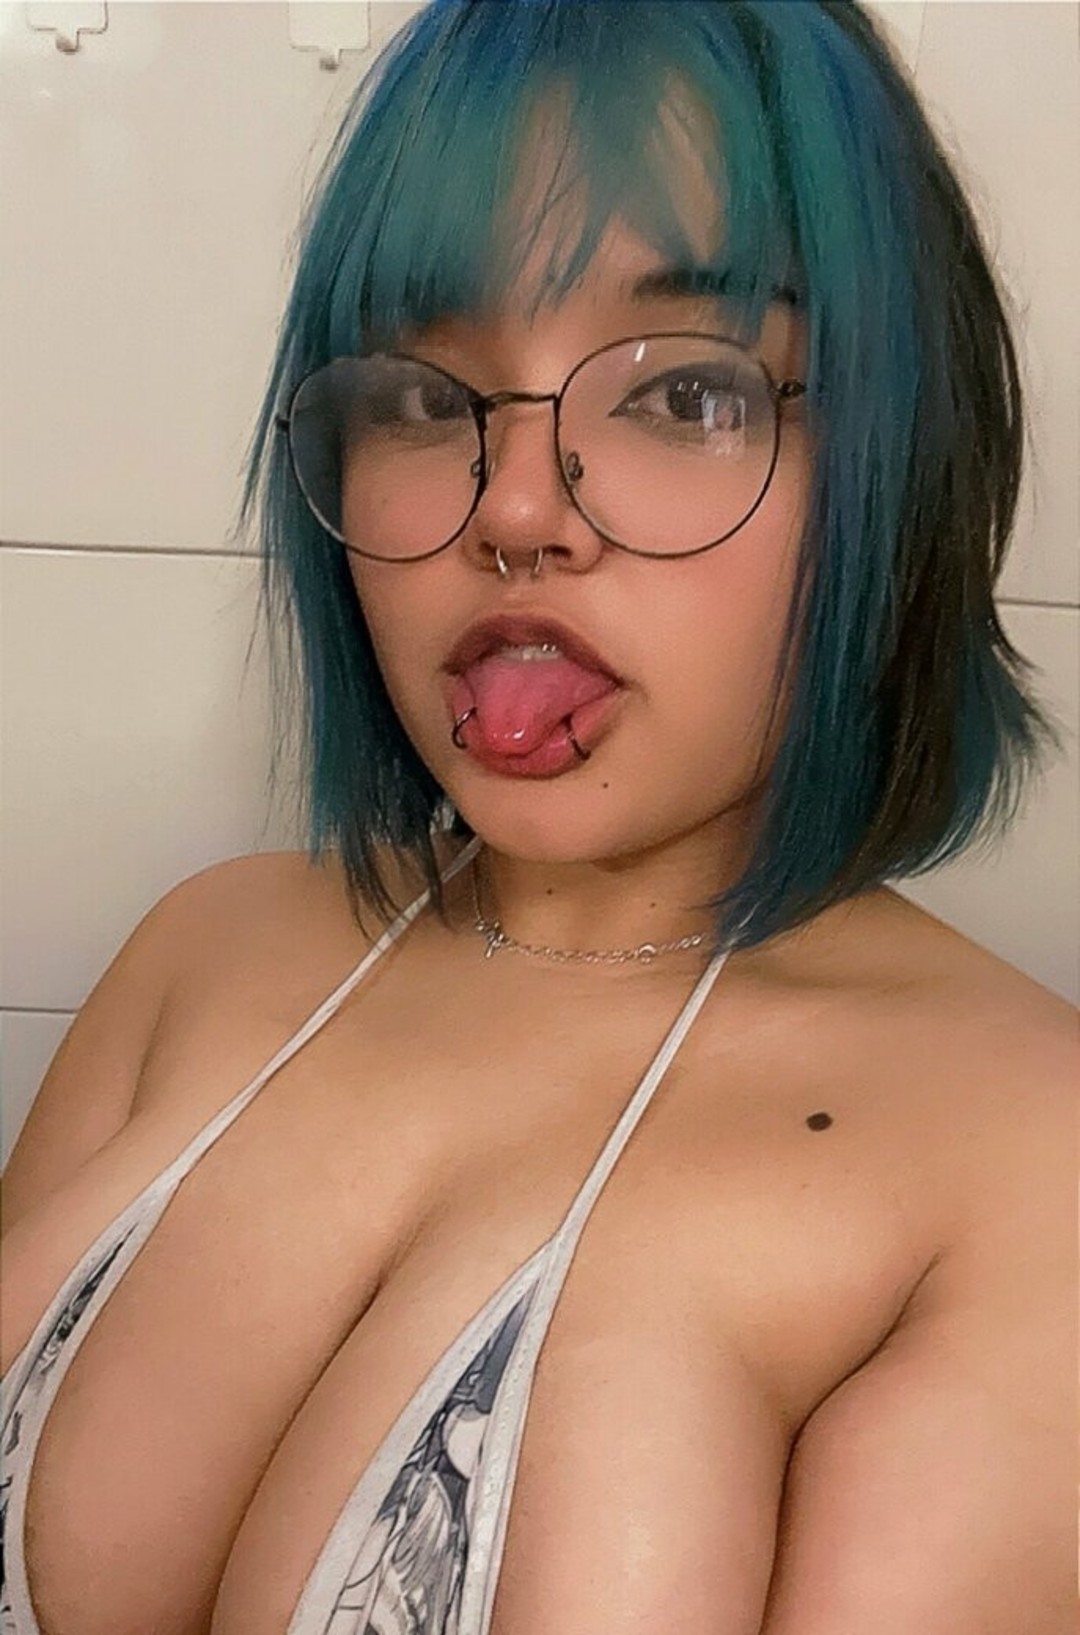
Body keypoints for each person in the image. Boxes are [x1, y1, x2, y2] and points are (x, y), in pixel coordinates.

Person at [1, 2, 1074, 1631]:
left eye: (686, 395)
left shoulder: (1030, 1165)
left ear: (896, 466)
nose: (510, 511)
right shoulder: (204, 953)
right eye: (424, 397)